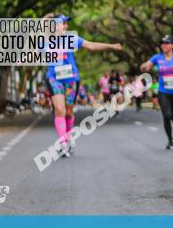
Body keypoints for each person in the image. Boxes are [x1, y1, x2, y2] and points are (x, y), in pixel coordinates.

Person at [44, 14, 123, 157]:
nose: (66, 26)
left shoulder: (71, 39)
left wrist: (110, 46)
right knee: (59, 110)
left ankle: (68, 140)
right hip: (54, 79)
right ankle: (63, 144)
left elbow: (91, 45)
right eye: (64, 23)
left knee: (68, 112)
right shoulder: (43, 41)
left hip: (71, 80)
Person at [140, 35, 173, 149]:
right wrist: (144, 66)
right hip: (163, 91)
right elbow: (147, 65)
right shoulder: (157, 58)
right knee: (167, 115)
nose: (164, 45)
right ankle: (170, 140)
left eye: (167, 43)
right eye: (162, 43)